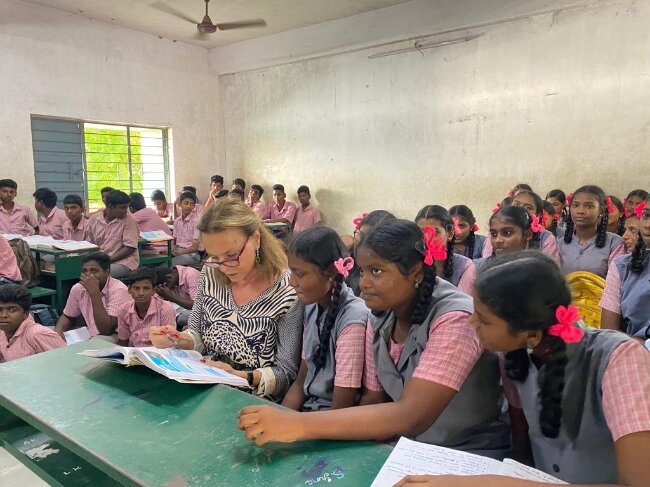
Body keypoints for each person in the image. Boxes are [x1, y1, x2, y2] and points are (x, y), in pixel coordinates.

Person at [237, 220, 510, 458]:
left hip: (465, 455)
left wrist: (297, 425)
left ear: (415, 272)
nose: (363, 283)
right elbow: (374, 398)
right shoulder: (380, 315)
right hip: (405, 450)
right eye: (363, 270)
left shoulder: (455, 319)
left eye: (376, 271)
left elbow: (410, 415)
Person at [395, 251, 650, 486]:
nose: (471, 321)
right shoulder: (515, 358)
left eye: (483, 319)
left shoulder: (620, 359)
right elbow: (522, 445)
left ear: (531, 334)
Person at [149, 198, 303, 401]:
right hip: (206, 387)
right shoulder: (210, 274)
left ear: (256, 238)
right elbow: (197, 335)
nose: (224, 266)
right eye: (215, 257)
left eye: (231, 255)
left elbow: (286, 372)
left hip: (253, 401)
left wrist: (239, 376)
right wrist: (176, 338)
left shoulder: (287, 291)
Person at [282, 226, 368, 412]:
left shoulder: (353, 320)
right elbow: (301, 382)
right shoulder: (312, 306)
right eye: (292, 272)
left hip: (331, 421)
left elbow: (341, 408)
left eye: (300, 274)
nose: (291, 282)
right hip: (309, 414)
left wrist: (291, 425)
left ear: (330, 272)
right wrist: (281, 416)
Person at [600, 197, 650, 338]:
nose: (648, 225)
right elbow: (609, 332)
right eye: (646, 215)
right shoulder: (621, 266)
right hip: (632, 354)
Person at [54, 251, 131, 338]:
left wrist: (94, 293)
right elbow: (68, 316)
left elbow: (107, 330)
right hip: (89, 332)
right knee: (48, 333)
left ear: (106, 272)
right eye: (84, 271)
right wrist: (57, 335)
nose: (89, 275)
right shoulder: (78, 288)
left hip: (112, 336)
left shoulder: (119, 290)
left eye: (94, 271)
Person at [558, 185, 625, 278]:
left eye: (589, 206)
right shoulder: (560, 244)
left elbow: (616, 280)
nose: (580, 211)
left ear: (601, 211)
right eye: (575, 205)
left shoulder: (614, 243)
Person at [483, 190, 560, 263]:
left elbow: (550, 270)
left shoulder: (546, 238)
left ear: (538, 215)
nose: (520, 209)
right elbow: (487, 260)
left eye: (528, 207)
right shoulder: (496, 232)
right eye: (516, 204)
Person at [415, 205, 476, 294]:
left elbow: (461, 304)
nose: (427, 238)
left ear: (450, 234)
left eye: (435, 232)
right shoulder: (410, 263)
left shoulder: (465, 266)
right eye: (421, 232)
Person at [0, 283, 65, 362]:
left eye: (12, 310)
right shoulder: (2, 332)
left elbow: (65, 362)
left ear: (25, 314)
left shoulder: (37, 335)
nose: (3, 315)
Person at [87, 190, 140, 278]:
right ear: (110, 207)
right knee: (75, 273)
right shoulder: (94, 219)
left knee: (97, 276)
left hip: (123, 262)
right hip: (100, 261)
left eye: (127, 207)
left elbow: (130, 248)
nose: (126, 211)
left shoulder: (129, 221)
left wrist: (107, 261)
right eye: (123, 208)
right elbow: (91, 244)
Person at [117, 268, 176, 347]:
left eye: (146, 288)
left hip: (160, 353)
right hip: (135, 352)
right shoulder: (124, 310)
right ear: (129, 290)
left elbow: (169, 342)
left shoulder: (165, 309)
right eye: (136, 288)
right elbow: (123, 341)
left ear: (153, 290)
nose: (141, 293)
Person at [474, 205, 536, 270]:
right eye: (494, 234)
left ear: (527, 235)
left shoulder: (540, 270)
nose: (498, 240)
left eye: (507, 233)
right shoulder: (476, 268)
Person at [155, 265, 200, 330]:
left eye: (166, 286)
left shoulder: (191, 274)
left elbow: (197, 306)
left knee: (186, 317)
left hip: (204, 310)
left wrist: (169, 296)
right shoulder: (171, 282)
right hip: (182, 311)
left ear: (169, 278)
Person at [172, 191, 201, 266]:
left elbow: (194, 248)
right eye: (186, 203)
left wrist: (179, 253)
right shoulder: (177, 221)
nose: (188, 206)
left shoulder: (196, 222)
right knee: (159, 261)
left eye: (191, 204)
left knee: (168, 265)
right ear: (179, 204)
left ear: (194, 206)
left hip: (192, 254)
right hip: (178, 251)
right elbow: (175, 243)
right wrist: (168, 251)